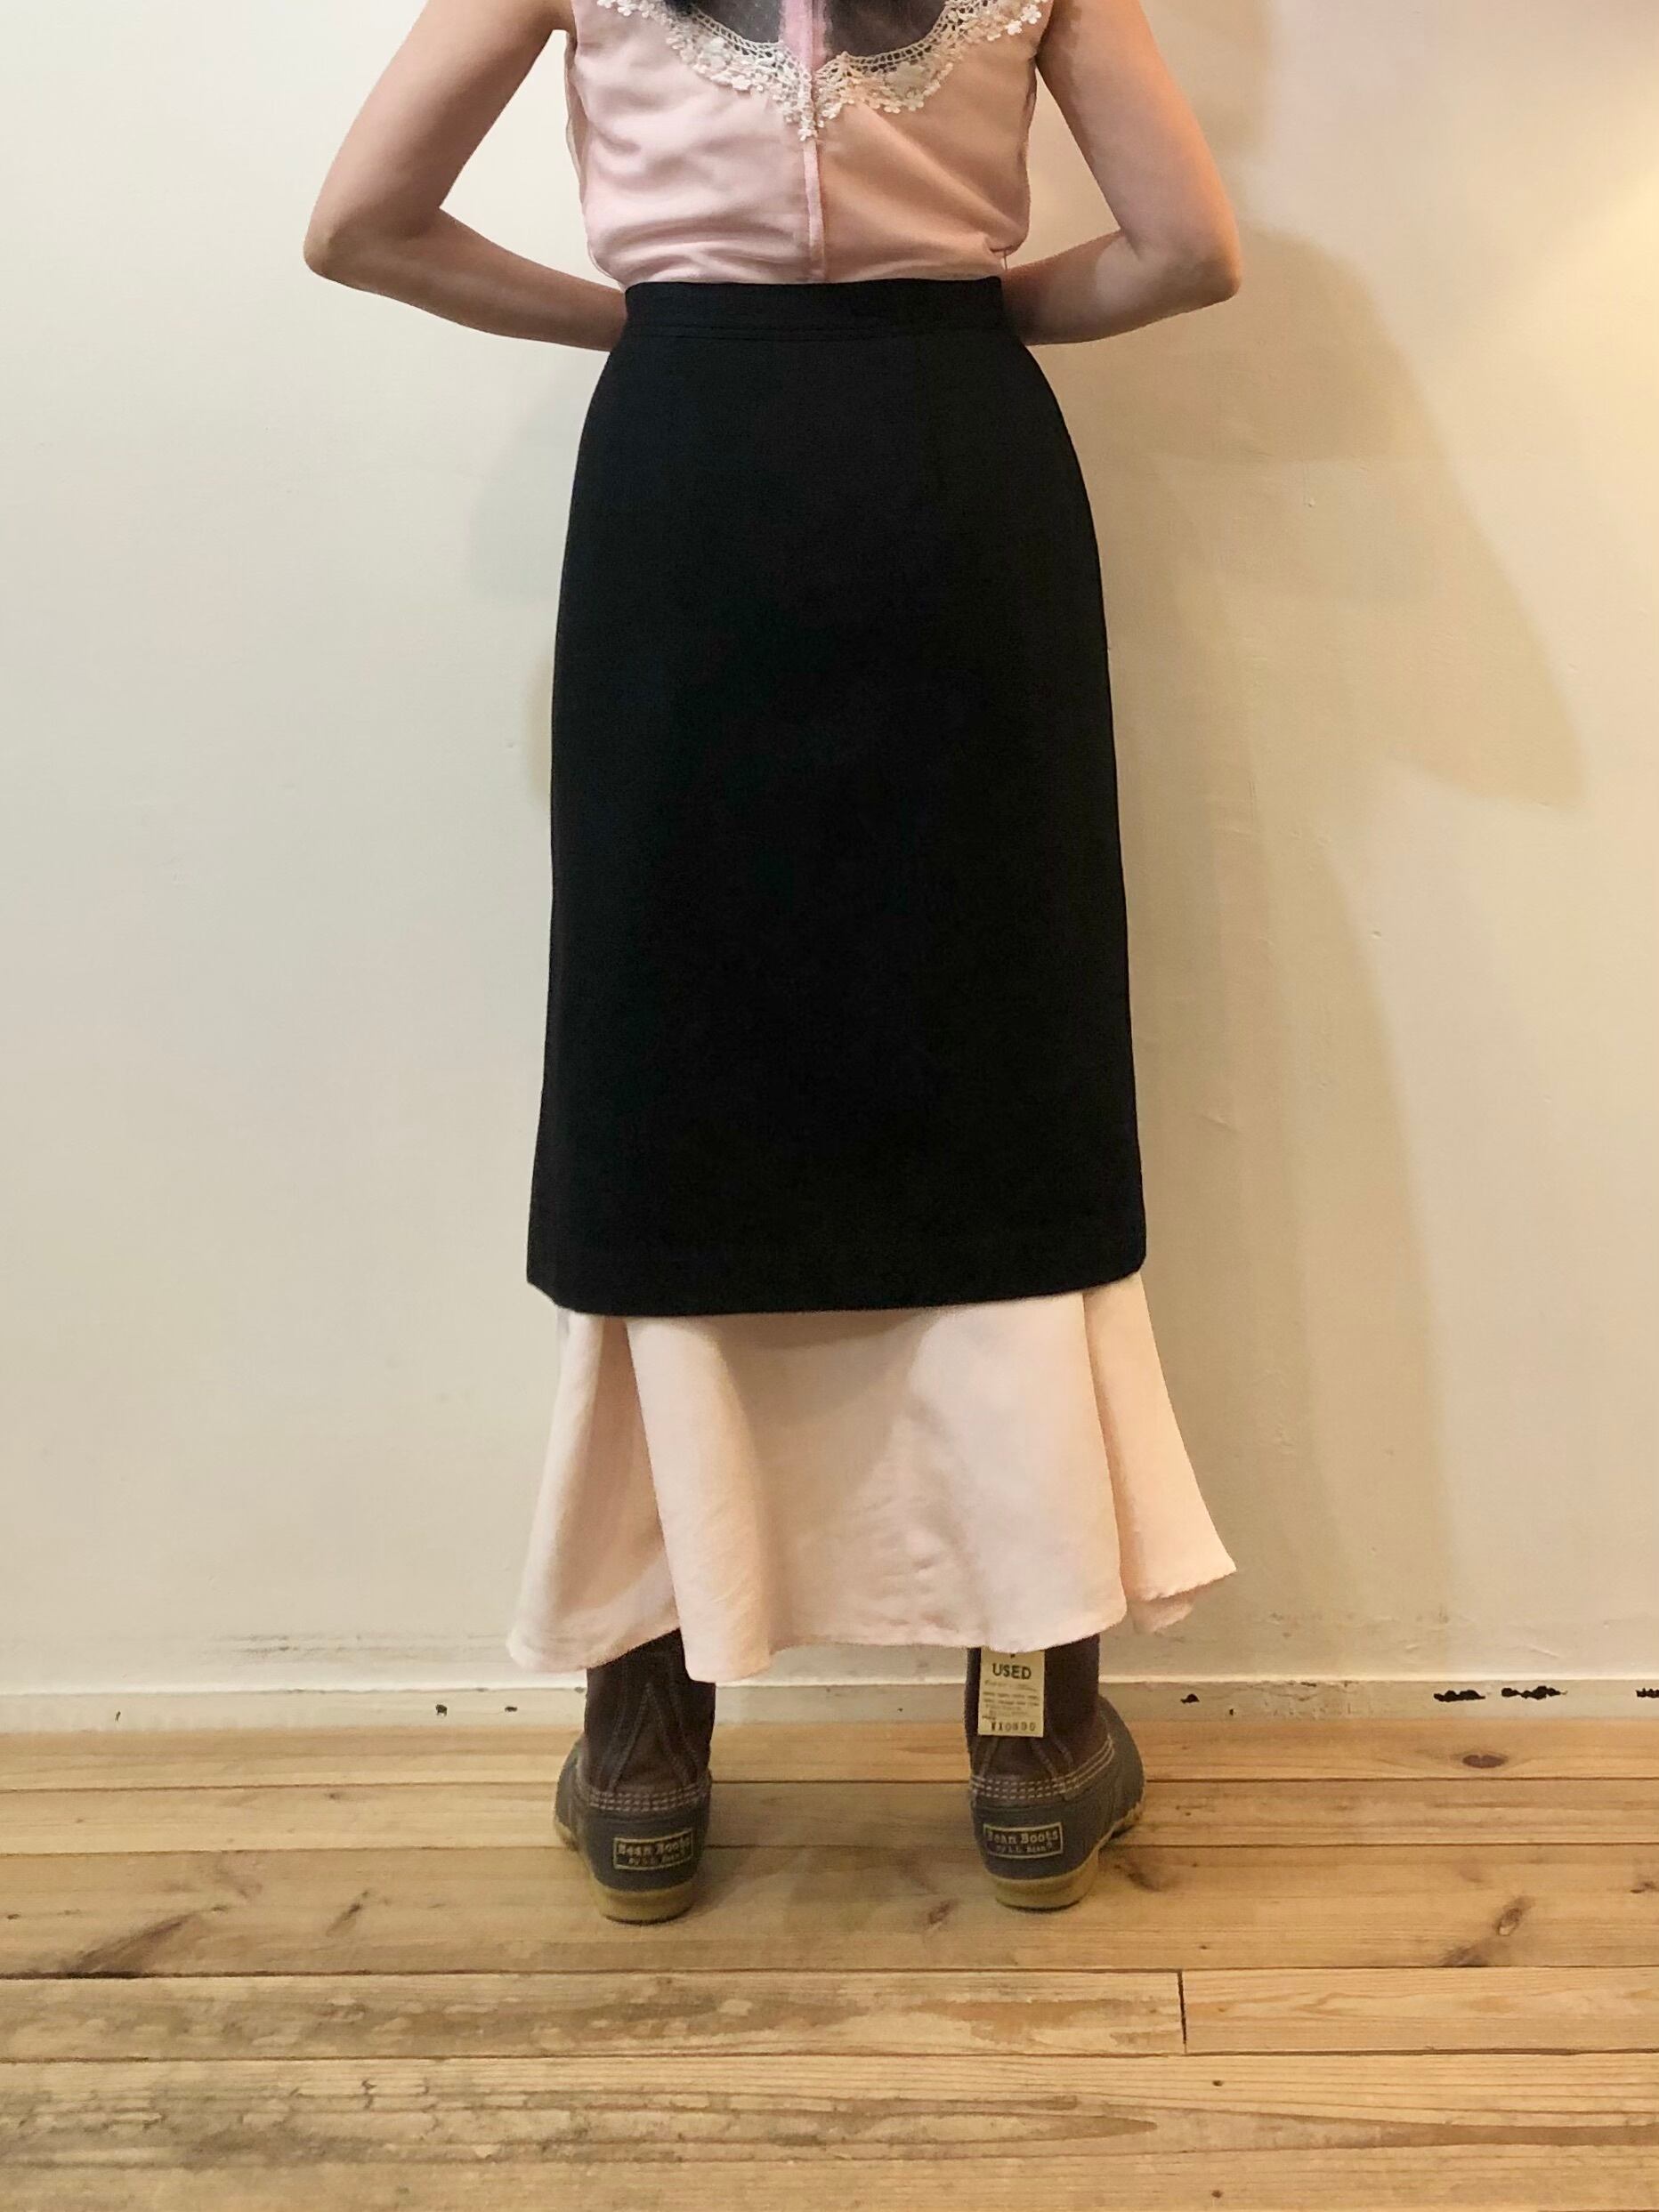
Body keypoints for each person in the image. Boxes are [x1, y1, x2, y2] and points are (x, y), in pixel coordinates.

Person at [306, 0, 1242, 1925]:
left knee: (668, 1057)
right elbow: (1182, 253)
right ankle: (1034, 1736)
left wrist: (644, 324)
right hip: (954, 474)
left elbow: (361, 224)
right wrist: (960, 314)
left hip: (689, 470)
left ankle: (644, 1749)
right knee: (997, 1050)